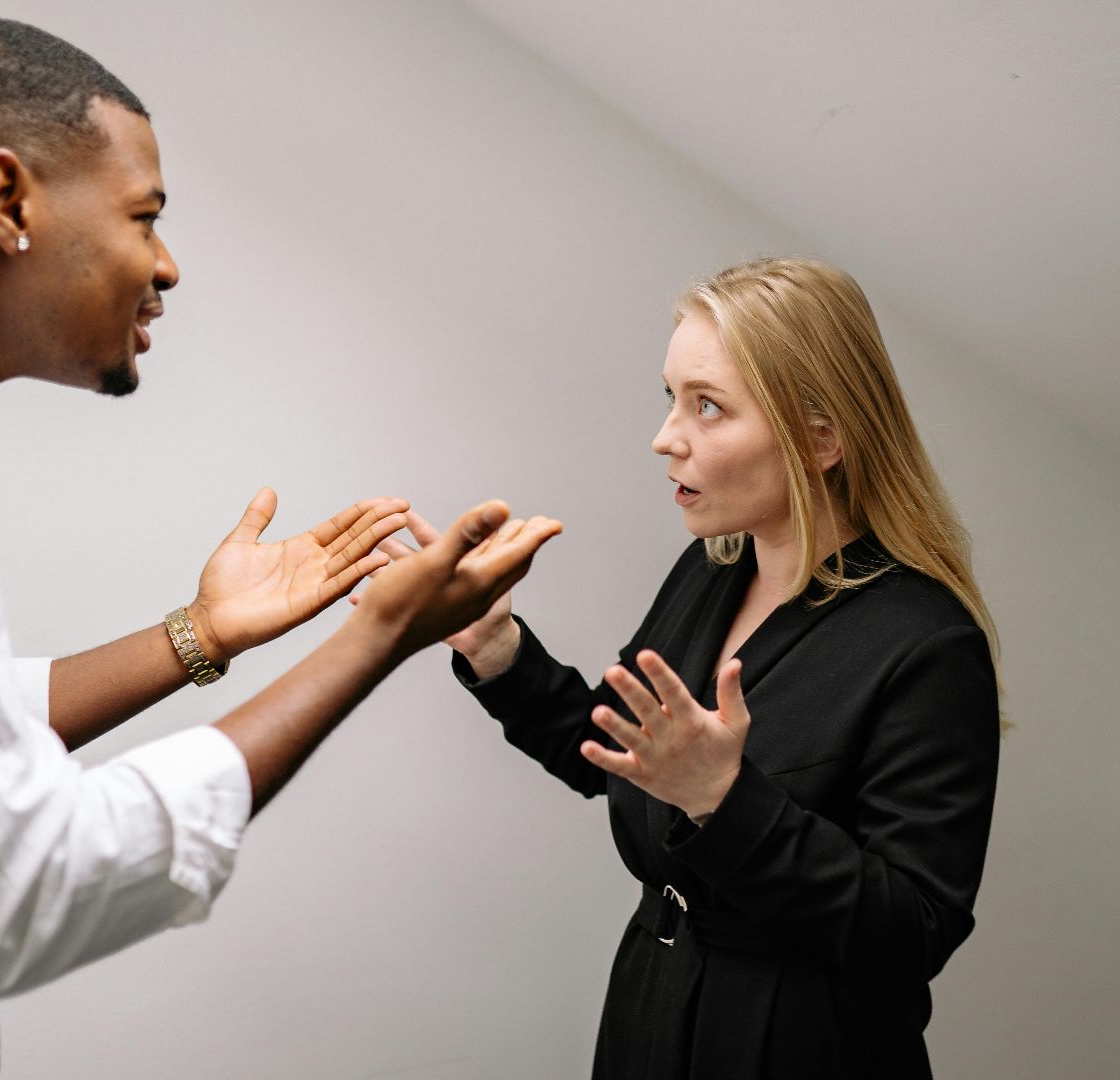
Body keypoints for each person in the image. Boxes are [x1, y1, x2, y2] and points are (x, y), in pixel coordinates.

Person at [0, 16, 560, 1078]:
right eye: (145, 216)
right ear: (10, 202)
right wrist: (375, 638)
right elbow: (8, 895)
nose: (168, 264)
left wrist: (200, 635)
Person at [416, 257, 999, 1078]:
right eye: (671, 397)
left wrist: (723, 800)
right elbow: (621, 756)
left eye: (709, 406)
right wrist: (495, 649)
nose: (666, 436)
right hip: (650, 1013)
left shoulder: (926, 644)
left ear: (821, 438)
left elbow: (913, 931)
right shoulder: (712, 572)